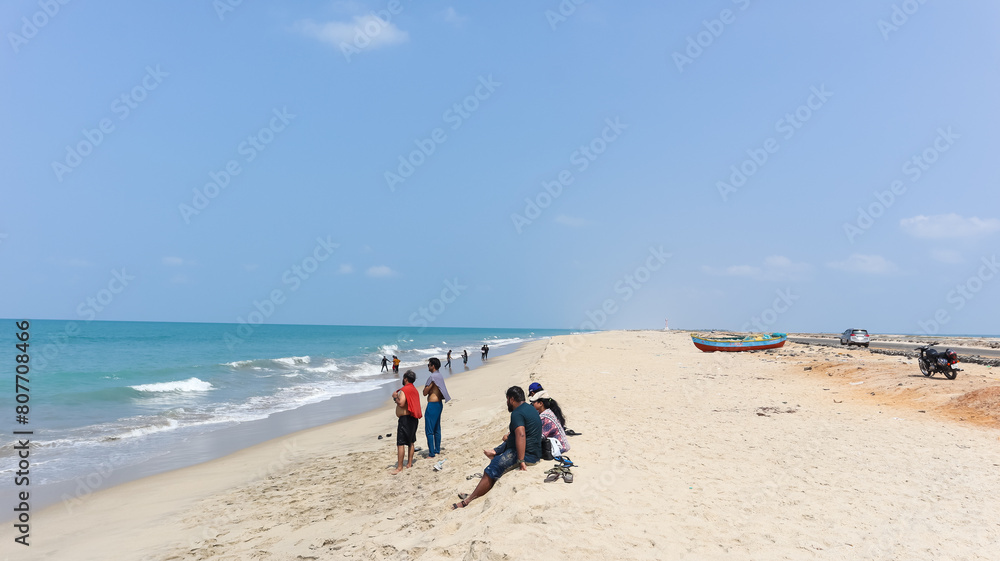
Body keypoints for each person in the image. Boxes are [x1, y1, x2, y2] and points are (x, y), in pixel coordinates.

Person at [453, 386, 540, 509]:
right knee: (498, 462)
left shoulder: (517, 413)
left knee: (491, 469)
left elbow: (521, 434)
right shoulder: (529, 408)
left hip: (526, 454)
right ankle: (478, 491)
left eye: (507, 399)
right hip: (535, 452)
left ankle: (468, 500)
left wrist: (521, 461)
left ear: (511, 399)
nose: (507, 402)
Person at [391, 370, 422, 474]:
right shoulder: (414, 390)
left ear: (405, 379)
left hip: (405, 419)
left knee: (400, 443)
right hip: (413, 418)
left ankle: (399, 468)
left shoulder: (405, 390)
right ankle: (409, 463)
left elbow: (401, 403)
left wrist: (395, 397)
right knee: (411, 442)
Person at [423, 357, 451, 458]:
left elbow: (424, 392)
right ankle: (437, 449)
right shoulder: (439, 375)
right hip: (439, 404)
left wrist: (430, 387)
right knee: (437, 428)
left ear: (433, 366)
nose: (428, 366)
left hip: (432, 404)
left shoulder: (432, 377)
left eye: (429, 365)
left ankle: (431, 453)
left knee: (429, 430)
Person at [529, 390, 570, 455]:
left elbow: (540, 436)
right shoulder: (549, 412)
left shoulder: (545, 417)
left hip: (559, 448)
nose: (532, 404)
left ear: (541, 403)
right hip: (562, 445)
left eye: (534, 402)